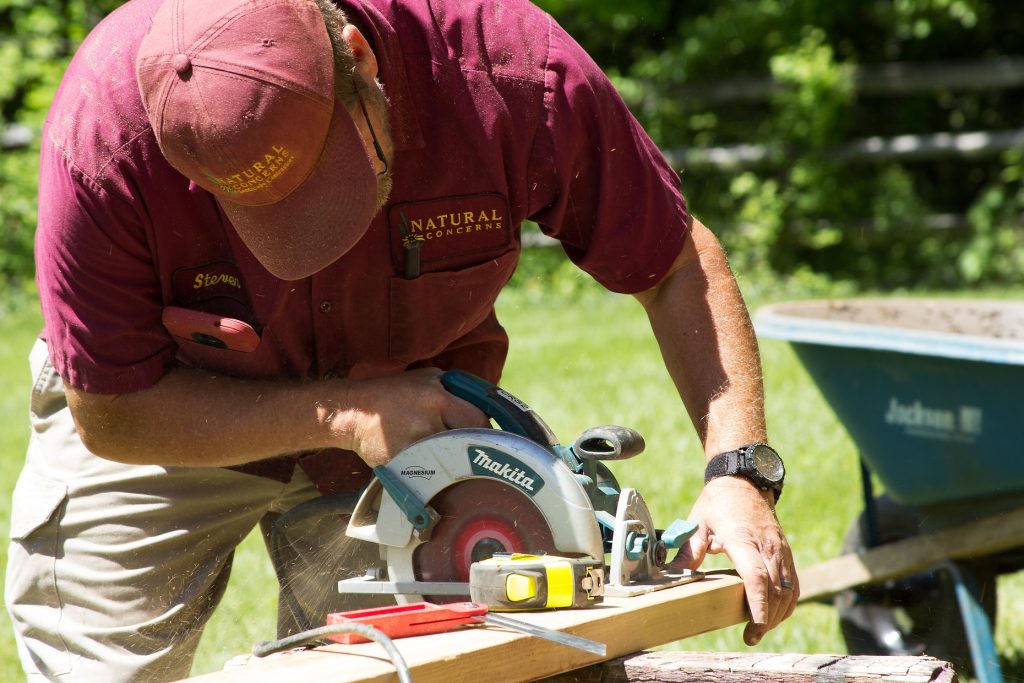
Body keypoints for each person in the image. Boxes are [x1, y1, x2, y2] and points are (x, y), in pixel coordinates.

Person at [6, 0, 798, 679]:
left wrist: (738, 471)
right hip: (176, 411)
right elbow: (112, 412)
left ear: (360, 59)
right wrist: (344, 413)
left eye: (327, 188)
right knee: (97, 667)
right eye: (267, 217)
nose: (313, 235)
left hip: (410, 440)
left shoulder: (504, 67)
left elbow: (674, 265)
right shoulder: (104, 129)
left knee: (422, 666)